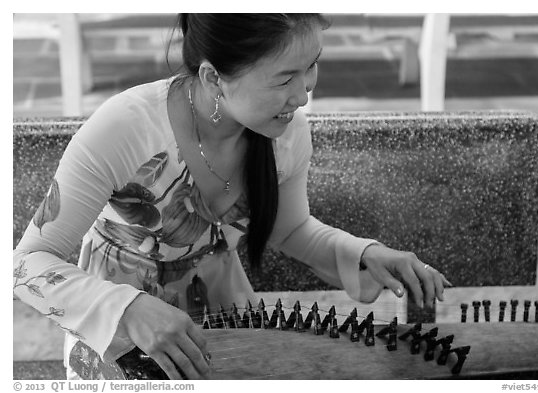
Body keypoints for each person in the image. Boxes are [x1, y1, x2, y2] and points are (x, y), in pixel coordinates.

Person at [13, 13, 451, 380]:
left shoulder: (285, 130)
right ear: (213, 78)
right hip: (118, 328)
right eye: (284, 79)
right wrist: (128, 309)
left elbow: (293, 228)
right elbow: (25, 264)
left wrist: (366, 254)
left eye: (312, 66)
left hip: (226, 318)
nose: (303, 94)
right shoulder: (125, 129)